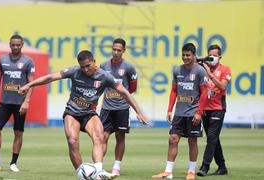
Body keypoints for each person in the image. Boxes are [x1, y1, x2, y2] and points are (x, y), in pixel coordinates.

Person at [18, 50, 149, 179]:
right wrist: (28, 85)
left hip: (89, 114)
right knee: (72, 141)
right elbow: (50, 77)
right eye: (82, 67)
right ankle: (82, 175)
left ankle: (97, 171)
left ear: (94, 62)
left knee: (99, 137)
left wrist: (139, 112)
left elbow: (125, 92)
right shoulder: (74, 71)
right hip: (72, 113)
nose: (86, 70)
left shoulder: (105, 76)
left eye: (88, 66)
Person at [0, 35, 35, 172]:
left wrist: (26, 102)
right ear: (10, 45)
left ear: (22, 45)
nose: (15, 47)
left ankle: (13, 164)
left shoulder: (28, 61)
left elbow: (31, 83)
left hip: (20, 103)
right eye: (13, 45)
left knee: (18, 133)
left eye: (18, 45)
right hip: (5, 102)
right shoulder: (2, 59)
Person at [152, 43, 208, 180]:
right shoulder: (177, 70)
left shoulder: (200, 71)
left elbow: (205, 93)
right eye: (183, 55)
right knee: (173, 139)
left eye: (188, 55)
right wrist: (169, 110)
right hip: (179, 113)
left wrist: (199, 112)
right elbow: (173, 91)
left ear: (194, 56)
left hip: (193, 113)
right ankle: (168, 172)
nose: (185, 57)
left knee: (192, 141)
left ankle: (191, 171)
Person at [99, 38, 138, 176]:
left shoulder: (128, 67)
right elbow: (99, 85)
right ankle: (99, 166)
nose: (115, 52)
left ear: (123, 51)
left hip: (122, 108)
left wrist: (122, 97)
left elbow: (132, 87)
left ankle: (116, 166)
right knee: (102, 137)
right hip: (106, 108)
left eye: (119, 50)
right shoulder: (103, 65)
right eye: (114, 49)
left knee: (120, 136)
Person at [197, 45, 231, 177]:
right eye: (210, 56)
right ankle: (222, 167)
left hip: (218, 108)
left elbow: (222, 86)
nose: (212, 59)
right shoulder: (202, 69)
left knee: (211, 138)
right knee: (214, 139)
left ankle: (204, 167)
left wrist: (209, 73)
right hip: (205, 108)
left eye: (214, 56)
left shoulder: (225, 69)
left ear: (220, 57)